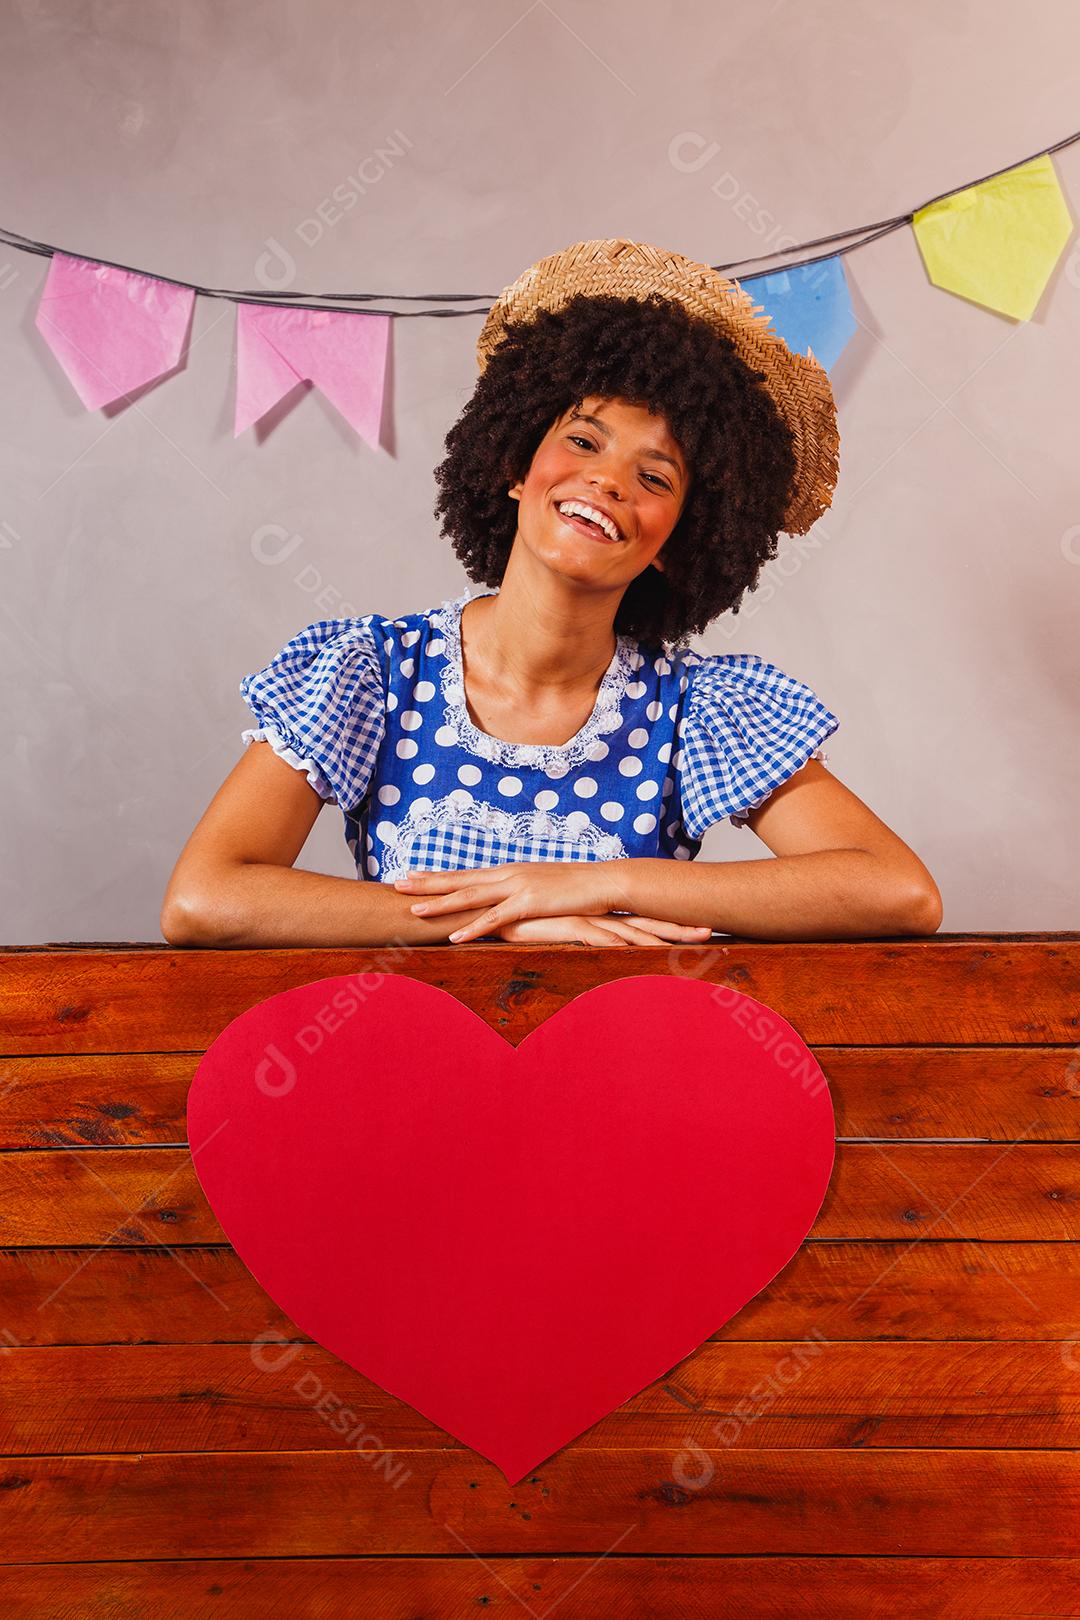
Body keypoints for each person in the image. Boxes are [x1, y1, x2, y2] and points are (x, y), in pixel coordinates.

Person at [160, 238, 942, 948]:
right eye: (583, 440)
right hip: (410, 1055)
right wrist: (510, 916)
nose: (608, 480)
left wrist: (602, 884)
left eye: (655, 477)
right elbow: (204, 899)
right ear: (514, 465)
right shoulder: (373, 673)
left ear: (680, 542)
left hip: (620, 1061)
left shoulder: (694, 711)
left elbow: (896, 890)